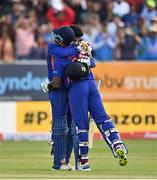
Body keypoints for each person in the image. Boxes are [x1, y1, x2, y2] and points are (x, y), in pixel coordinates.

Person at [42, 27, 128, 170]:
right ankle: (117, 144)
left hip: (75, 89)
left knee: (80, 126)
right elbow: (92, 63)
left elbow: (57, 81)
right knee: (103, 118)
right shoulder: (81, 48)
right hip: (91, 85)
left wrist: (48, 86)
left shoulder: (60, 58)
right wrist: (84, 51)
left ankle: (83, 163)